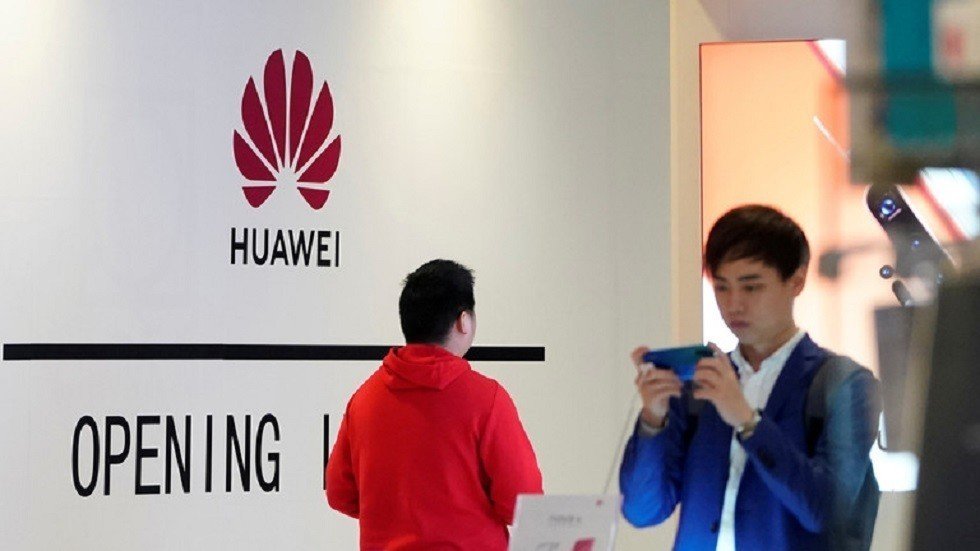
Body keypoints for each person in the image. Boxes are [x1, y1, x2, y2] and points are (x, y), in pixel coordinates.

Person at [619, 205, 882, 550]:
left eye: (751, 287)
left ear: (796, 281)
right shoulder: (701, 385)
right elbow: (641, 511)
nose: (734, 305)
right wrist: (654, 420)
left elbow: (827, 512)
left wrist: (749, 422)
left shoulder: (844, 385)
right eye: (721, 288)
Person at [326, 259, 543, 550]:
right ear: (463, 321)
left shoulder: (364, 400)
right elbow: (523, 503)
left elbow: (340, 493)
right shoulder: (487, 400)